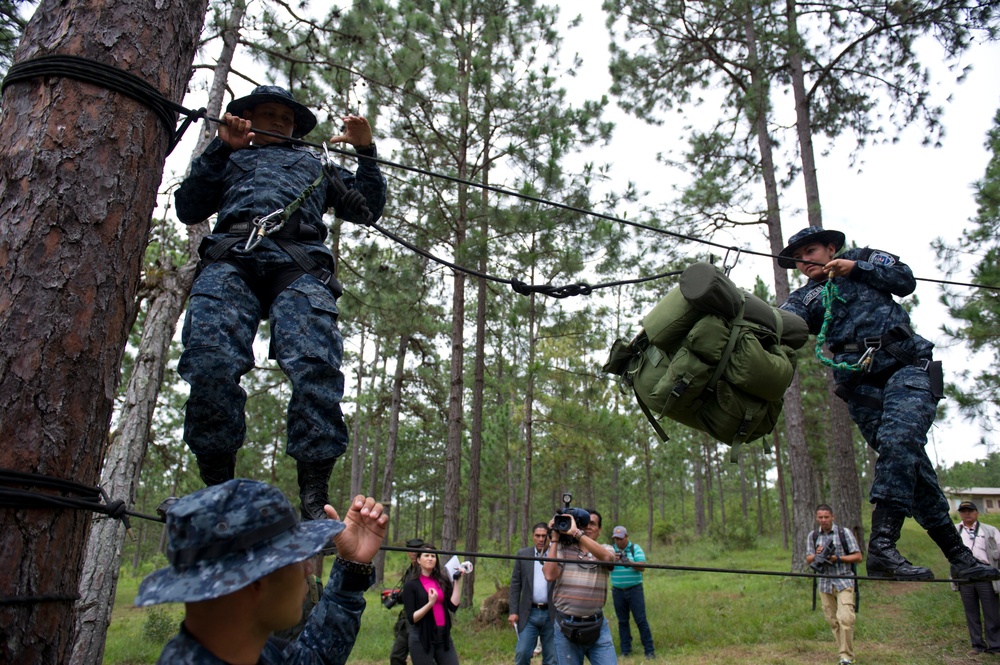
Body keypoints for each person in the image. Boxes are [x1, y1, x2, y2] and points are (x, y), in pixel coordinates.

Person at [174, 85, 387, 520]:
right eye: (268, 114)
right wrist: (220, 147)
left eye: (286, 119)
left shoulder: (316, 163)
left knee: (315, 365)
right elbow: (188, 207)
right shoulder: (230, 157)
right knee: (210, 360)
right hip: (231, 258)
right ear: (247, 118)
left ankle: (314, 495)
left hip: (299, 264)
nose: (279, 123)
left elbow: (369, 208)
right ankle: (218, 490)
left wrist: (366, 151)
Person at [779, 227, 999, 582]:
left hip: (905, 366)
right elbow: (779, 322)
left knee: (899, 441)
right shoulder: (805, 298)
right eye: (798, 258)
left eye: (811, 251)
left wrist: (856, 269)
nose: (804, 261)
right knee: (913, 473)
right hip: (862, 387)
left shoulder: (864, 259)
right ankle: (960, 557)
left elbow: (905, 279)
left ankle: (882, 544)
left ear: (831, 248)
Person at [135, 479, 388, 664]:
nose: (308, 568)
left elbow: (317, 659)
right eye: (296, 557)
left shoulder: (246, 651)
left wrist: (351, 570)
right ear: (254, 579)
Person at [543, 507, 617, 665]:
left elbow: (607, 558)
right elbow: (549, 575)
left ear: (599, 530)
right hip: (566, 627)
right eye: (583, 523)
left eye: (592, 524)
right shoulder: (563, 550)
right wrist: (554, 539)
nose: (587, 527)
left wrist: (577, 533)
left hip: (597, 626)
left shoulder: (606, 549)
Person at [805, 504, 862, 665]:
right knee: (833, 621)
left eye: (826, 517)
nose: (823, 520)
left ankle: (846, 656)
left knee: (845, 618)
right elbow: (808, 557)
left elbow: (858, 556)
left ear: (832, 517)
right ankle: (842, 652)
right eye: (820, 517)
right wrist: (818, 555)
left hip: (843, 580)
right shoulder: (813, 535)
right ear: (817, 518)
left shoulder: (844, 533)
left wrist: (837, 558)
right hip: (824, 583)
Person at [403, 545, 467, 665]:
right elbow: (412, 618)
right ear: (418, 560)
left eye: (433, 556)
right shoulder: (411, 585)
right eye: (426, 555)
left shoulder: (441, 580)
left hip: (443, 636)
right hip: (422, 638)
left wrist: (457, 582)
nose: (430, 558)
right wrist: (430, 603)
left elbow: (453, 606)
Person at [952, 501, 1000, 655]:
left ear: (976, 513)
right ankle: (977, 645)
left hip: (985, 574)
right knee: (971, 612)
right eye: (963, 511)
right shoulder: (954, 531)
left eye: (970, 510)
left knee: (991, 612)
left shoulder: (990, 530)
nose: (967, 513)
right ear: (960, 513)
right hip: (965, 575)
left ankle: (995, 646)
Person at [509, 522, 557, 665]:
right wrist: (513, 611)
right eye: (538, 536)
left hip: (551, 613)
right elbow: (515, 585)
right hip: (529, 612)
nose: (541, 539)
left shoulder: (557, 555)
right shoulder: (523, 555)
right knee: (523, 652)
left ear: (549, 537)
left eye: (544, 536)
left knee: (552, 657)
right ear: (532, 537)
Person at [609, 526, 654, 659]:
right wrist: (613, 560)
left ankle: (649, 650)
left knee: (640, 620)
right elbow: (606, 567)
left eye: (620, 539)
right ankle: (625, 650)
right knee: (622, 621)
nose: (618, 541)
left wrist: (628, 562)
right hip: (617, 591)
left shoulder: (635, 549)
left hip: (634, 590)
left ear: (626, 537)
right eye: (616, 539)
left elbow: (642, 567)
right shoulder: (611, 550)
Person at [390, 537, 426, 665]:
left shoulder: (425, 571)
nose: (413, 553)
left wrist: (403, 596)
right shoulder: (410, 570)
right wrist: (396, 597)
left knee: (422, 658)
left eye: (416, 551)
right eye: (411, 550)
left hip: (420, 620)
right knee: (396, 657)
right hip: (406, 620)